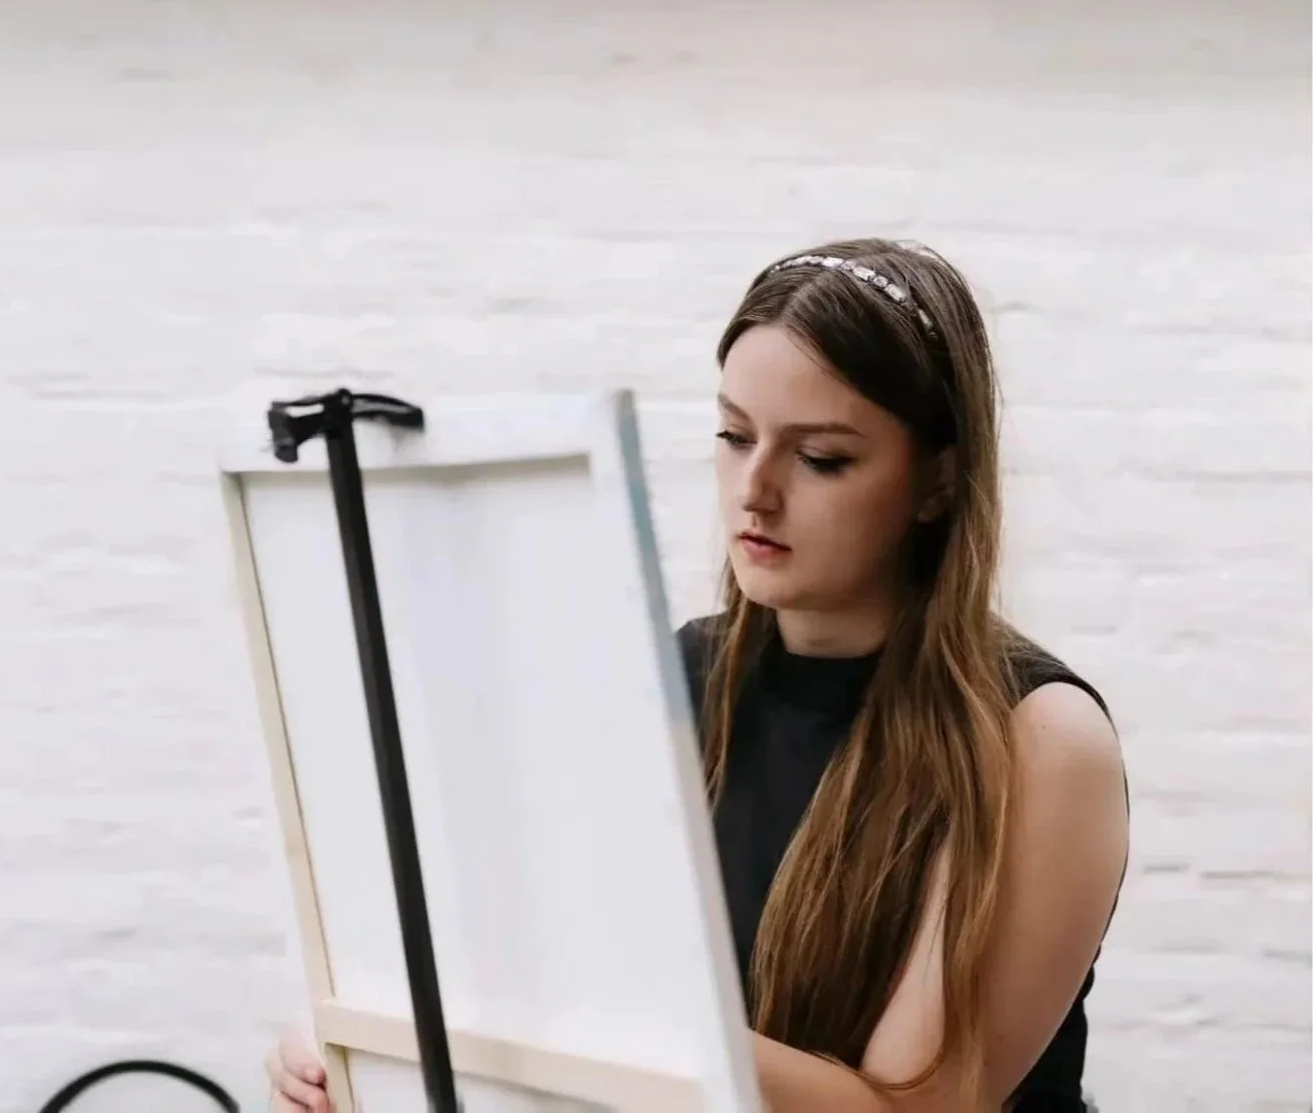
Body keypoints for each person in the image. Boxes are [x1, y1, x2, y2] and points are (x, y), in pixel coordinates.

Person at [261, 238, 1131, 1113]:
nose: (755, 490)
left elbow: (914, 1108)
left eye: (821, 457)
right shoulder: (675, 675)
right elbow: (507, 951)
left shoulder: (1040, 740)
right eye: (733, 435)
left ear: (937, 481)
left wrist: (537, 1014)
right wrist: (364, 1040)